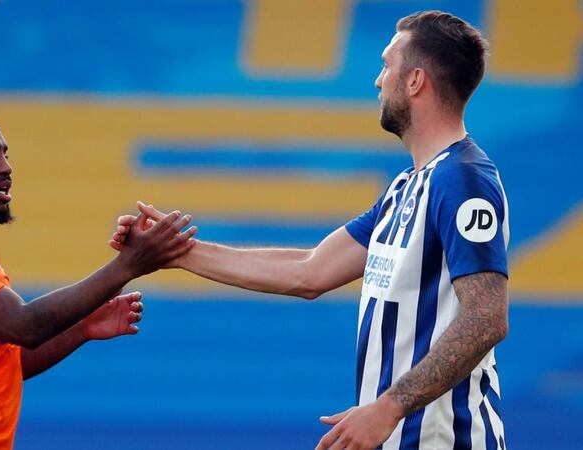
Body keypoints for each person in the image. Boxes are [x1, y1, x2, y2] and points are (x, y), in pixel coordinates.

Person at [111, 11, 508, 450]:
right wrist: (175, 250)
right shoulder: (406, 188)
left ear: (415, 81)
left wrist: (390, 406)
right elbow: (309, 269)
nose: (378, 81)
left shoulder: (464, 180)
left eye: (387, 66)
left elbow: (486, 318)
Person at [0, 106, 197, 449]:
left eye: (5, 155)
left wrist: (82, 329)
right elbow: (24, 325)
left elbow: (6, 365)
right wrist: (128, 265)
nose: (6, 167)